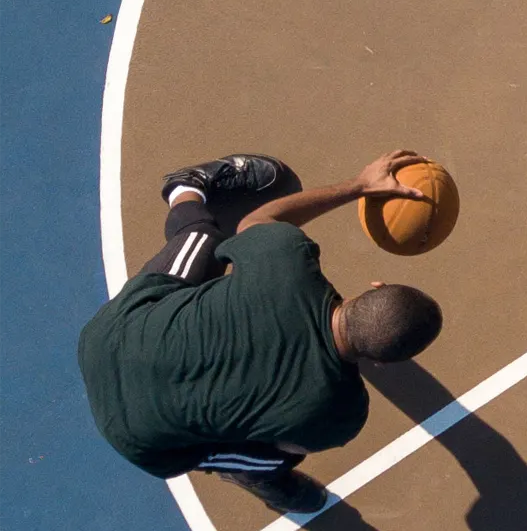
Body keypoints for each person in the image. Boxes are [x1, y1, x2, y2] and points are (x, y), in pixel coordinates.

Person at [79, 151, 444, 503]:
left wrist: (359, 186)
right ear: (380, 362)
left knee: (201, 234)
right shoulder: (341, 414)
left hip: (109, 336)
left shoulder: (284, 261)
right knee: (276, 456)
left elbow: (257, 221)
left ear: (374, 286)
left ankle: (186, 190)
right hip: (137, 438)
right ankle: (253, 475)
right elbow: (288, 439)